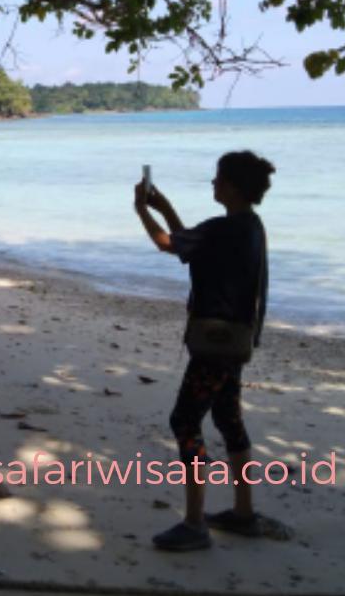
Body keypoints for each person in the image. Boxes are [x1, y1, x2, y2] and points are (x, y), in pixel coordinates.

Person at [133, 150, 275, 552]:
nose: (213, 183)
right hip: (236, 340)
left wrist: (141, 210)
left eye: (218, 178)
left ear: (233, 187)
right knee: (228, 420)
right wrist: (164, 207)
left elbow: (167, 243)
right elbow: (188, 247)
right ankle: (243, 513)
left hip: (214, 342)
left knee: (184, 421)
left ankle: (195, 524)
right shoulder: (250, 226)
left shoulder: (223, 229)